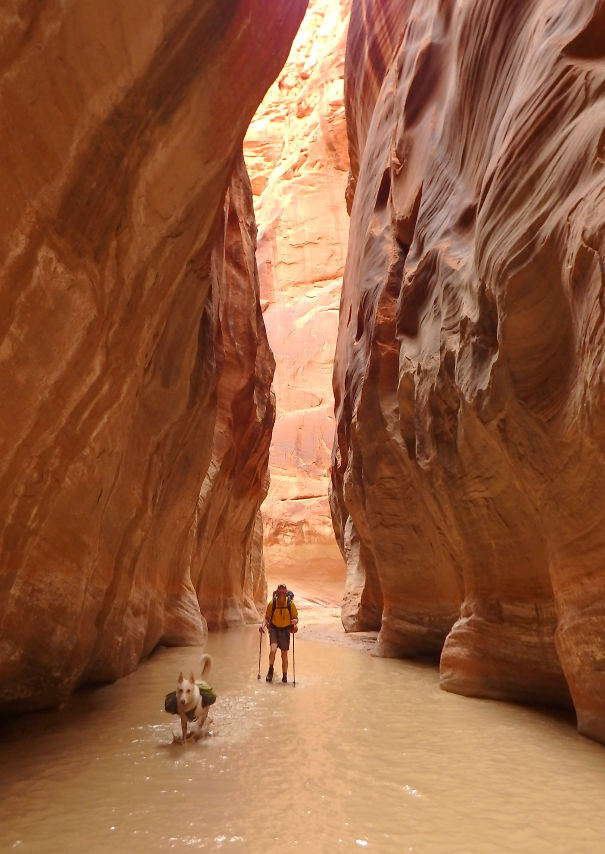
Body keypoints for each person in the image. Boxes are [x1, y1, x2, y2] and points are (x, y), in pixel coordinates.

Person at [259, 583, 298, 682]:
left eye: (283, 590)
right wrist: (262, 626)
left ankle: (284, 676)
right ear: (277, 591)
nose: (281, 591)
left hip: (285, 630)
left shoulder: (290, 604)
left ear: (286, 592)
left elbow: (296, 618)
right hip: (274, 629)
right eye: (279, 590)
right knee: (273, 650)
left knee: (284, 655)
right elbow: (266, 619)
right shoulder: (272, 603)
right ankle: (270, 670)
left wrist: (295, 622)